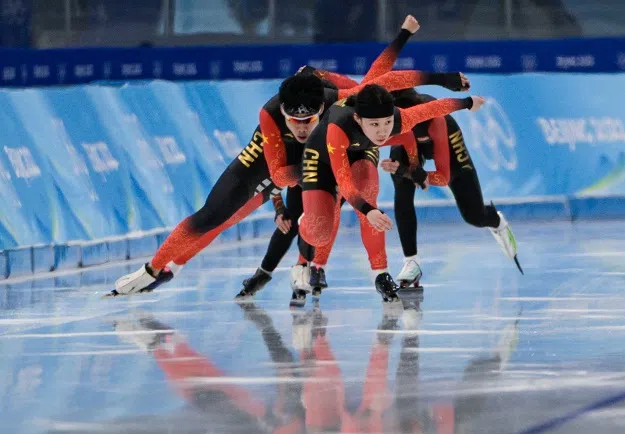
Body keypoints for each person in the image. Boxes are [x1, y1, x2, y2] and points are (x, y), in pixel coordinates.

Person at [108, 16, 466, 297]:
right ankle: (154, 270)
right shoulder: (270, 114)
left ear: (321, 107)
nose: (299, 126)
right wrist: (304, 184)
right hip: (275, 160)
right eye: (293, 120)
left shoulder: (340, 99)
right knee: (217, 217)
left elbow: (380, 79)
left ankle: (309, 262)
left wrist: (441, 75)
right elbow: (279, 176)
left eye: (306, 119)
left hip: (331, 149)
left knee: (348, 194)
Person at [293, 84, 485, 305]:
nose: (382, 131)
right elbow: (345, 183)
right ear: (358, 119)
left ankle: (381, 273)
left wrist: (469, 102)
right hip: (323, 156)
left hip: (362, 149)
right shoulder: (339, 125)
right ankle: (305, 240)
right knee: (321, 228)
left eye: (387, 123)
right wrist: (367, 210)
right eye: (375, 124)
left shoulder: (399, 119)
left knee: (369, 190)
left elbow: (436, 108)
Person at [380, 88, 521, 289]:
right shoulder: (390, 120)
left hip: (444, 139)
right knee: (401, 186)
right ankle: (411, 261)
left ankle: (492, 218)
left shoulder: (437, 121)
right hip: (406, 142)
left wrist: (411, 172)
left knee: (473, 216)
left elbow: (443, 177)